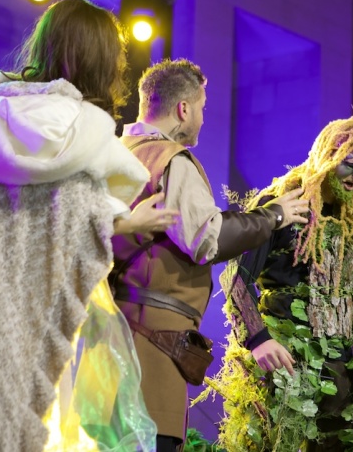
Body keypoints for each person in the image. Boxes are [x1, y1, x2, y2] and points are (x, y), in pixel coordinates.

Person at [0, 0, 176, 452]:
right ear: (106, 62)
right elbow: (69, 220)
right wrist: (124, 220)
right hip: (10, 326)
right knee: (2, 428)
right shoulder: (80, 131)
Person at [110, 58, 310, 452]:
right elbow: (208, 238)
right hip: (152, 349)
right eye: (201, 107)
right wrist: (275, 215)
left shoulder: (115, 153)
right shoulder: (171, 159)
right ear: (183, 108)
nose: (202, 118)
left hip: (108, 338)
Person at [201, 113, 353, 452]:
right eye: (352, 163)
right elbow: (234, 278)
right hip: (287, 374)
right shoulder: (285, 203)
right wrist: (259, 338)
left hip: (344, 379)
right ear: (328, 157)